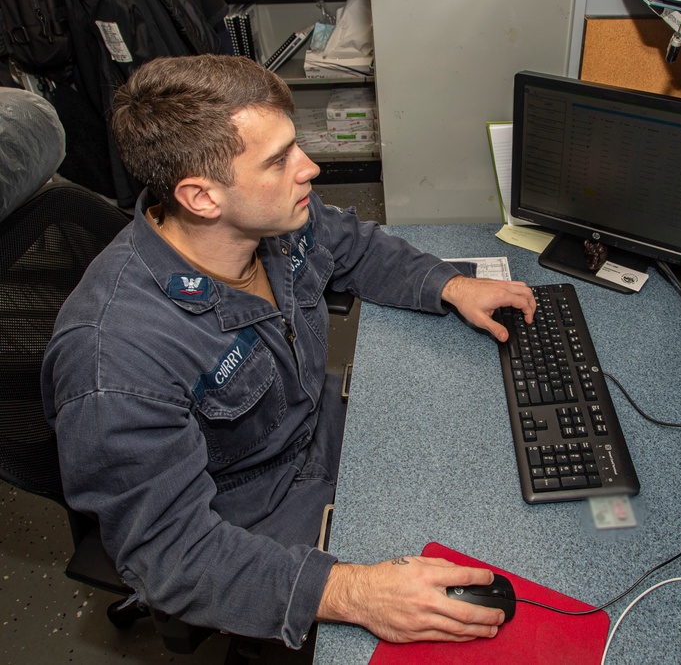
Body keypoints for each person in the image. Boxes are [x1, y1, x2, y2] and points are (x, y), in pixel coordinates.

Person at [40, 55, 536, 649]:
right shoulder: (114, 358)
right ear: (201, 197)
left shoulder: (272, 219)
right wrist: (352, 594)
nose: (311, 168)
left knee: (492, 464)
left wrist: (449, 284)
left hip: (312, 428)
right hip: (249, 517)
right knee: (485, 614)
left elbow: (352, 245)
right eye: (279, 160)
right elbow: (169, 553)